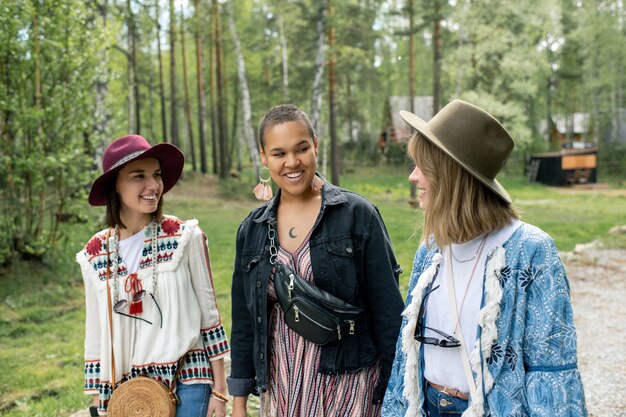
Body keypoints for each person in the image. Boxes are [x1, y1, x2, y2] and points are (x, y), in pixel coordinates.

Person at [381, 100, 588, 416]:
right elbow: (406, 354)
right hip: (427, 406)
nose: (413, 177)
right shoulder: (432, 250)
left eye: (422, 167)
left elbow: (552, 371)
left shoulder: (530, 251)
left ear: (451, 176)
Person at [228, 104, 405, 417]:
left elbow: (389, 311)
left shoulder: (357, 215)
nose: (292, 162)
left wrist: (393, 393)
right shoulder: (252, 230)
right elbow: (244, 320)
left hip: (349, 384)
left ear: (316, 145)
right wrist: (239, 403)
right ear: (263, 157)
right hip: (281, 384)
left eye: (302, 149)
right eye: (279, 153)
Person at [76, 135, 230, 416]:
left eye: (156, 175)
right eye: (138, 176)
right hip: (129, 391)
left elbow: (210, 316)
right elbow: (96, 334)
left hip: (188, 377)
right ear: (116, 186)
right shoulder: (95, 254)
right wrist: (102, 399)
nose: (153, 185)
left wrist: (220, 390)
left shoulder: (185, 237)